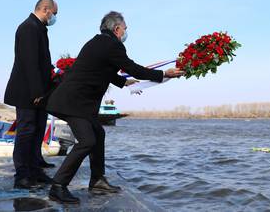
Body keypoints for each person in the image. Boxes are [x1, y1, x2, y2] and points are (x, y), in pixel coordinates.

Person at [46, 11, 184, 204]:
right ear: (117, 29)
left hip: (75, 102)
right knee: (87, 141)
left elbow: (103, 70)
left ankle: (97, 180)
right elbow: (133, 67)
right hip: (73, 103)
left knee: (98, 135)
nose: (126, 32)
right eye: (125, 29)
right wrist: (164, 74)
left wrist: (125, 83)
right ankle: (58, 186)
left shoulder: (98, 42)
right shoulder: (112, 45)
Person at [4, 0, 58, 189]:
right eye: (54, 13)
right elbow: (29, 62)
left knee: (37, 130)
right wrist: (36, 90)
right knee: (26, 132)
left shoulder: (39, 28)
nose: (54, 18)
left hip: (40, 91)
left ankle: (35, 170)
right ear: (46, 9)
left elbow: (41, 61)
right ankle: (22, 175)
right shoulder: (28, 27)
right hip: (27, 91)